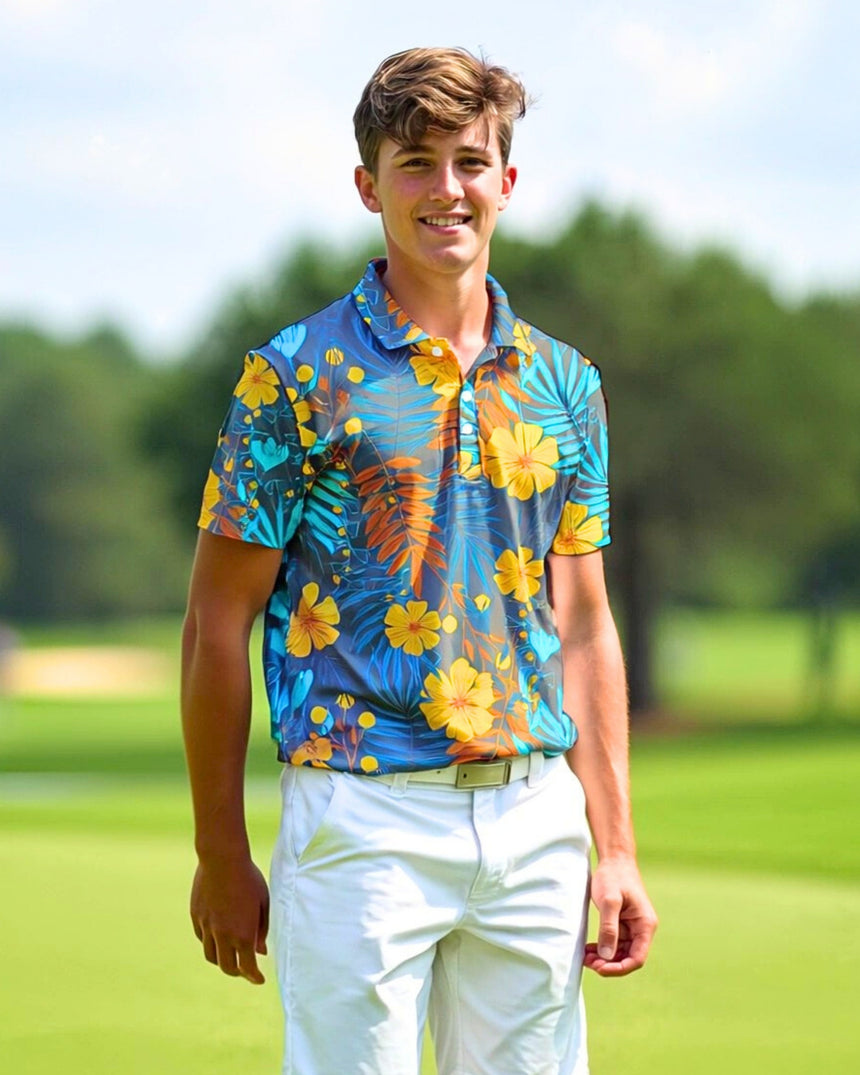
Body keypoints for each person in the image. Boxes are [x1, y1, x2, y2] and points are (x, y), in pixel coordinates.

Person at [182, 45, 657, 1075]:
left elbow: (582, 622)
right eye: (415, 164)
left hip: (534, 817)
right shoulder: (292, 376)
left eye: (470, 162)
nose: (447, 188)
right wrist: (220, 850)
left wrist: (614, 844)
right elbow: (216, 623)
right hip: (361, 819)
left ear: (506, 182)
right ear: (369, 186)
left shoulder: (566, 383)